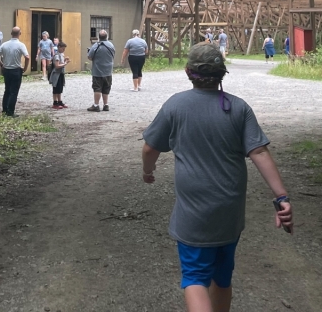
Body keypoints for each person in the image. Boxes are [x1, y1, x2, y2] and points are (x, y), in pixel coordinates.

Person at [141, 43, 293, 312]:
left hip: (193, 214)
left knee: (195, 278)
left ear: (188, 72)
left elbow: (150, 148)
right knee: (222, 279)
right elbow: (259, 151)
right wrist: (281, 196)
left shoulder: (175, 105)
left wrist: (148, 171)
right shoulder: (238, 107)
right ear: (222, 73)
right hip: (229, 213)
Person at [0, 26, 29, 117]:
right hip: (16, 70)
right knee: (14, 92)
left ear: (11, 33)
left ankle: (5, 110)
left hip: (6, 70)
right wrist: (25, 68)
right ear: (19, 34)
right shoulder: (21, 45)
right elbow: (27, 57)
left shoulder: (5, 44)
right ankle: (10, 112)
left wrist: (2, 64)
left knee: (7, 91)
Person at [86, 29, 115, 112]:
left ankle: (96, 105)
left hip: (97, 71)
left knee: (97, 88)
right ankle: (106, 105)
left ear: (99, 37)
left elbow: (90, 57)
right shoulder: (111, 45)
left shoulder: (96, 46)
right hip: (108, 71)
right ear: (107, 36)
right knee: (106, 88)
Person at [49, 40, 69, 109]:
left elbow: (61, 62)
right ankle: (55, 102)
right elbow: (57, 66)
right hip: (56, 75)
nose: (64, 50)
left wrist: (65, 60)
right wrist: (65, 64)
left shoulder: (61, 55)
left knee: (60, 88)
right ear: (59, 47)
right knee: (56, 88)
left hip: (61, 74)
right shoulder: (56, 55)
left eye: (64, 49)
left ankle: (59, 101)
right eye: (63, 48)